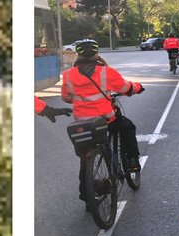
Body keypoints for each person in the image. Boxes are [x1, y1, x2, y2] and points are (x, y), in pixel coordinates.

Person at [60, 38, 144, 207]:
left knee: (85, 159)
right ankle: (133, 161)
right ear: (96, 53)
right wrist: (138, 87)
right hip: (106, 119)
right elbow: (125, 88)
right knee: (128, 126)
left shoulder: (69, 75)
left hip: (82, 123)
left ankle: (86, 195)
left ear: (78, 54)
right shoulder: (106, 72)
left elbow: (66, 97)